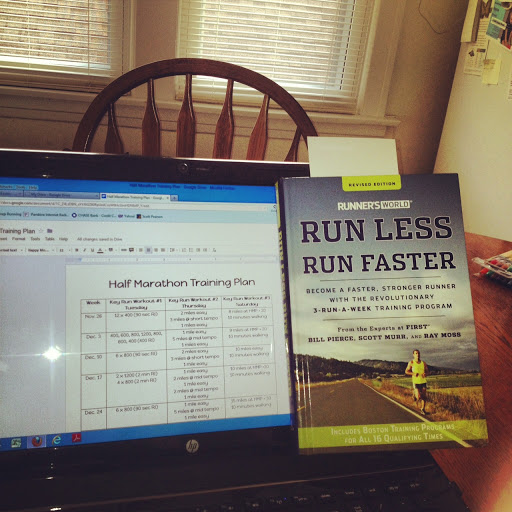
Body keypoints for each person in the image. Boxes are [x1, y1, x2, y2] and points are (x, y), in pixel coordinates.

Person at [405, 349, 429, 415]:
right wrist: (413, 374)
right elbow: (406, 371)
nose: (417, 354)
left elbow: (427, 371)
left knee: (424, 396)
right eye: (416, 353)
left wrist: (425, 374)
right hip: (416, 382)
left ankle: (423, 409)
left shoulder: (423, 363)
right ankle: (414, 395)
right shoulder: (411, 362)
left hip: (423, 381)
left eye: (418, 353)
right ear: (413, 355)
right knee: (418, 397)